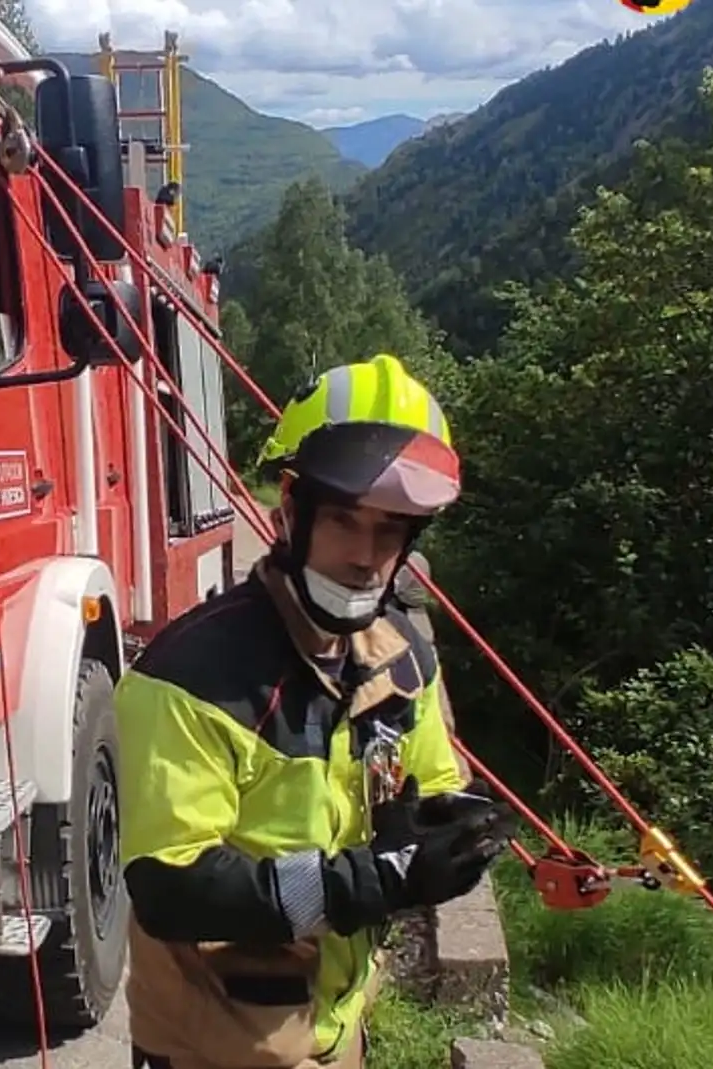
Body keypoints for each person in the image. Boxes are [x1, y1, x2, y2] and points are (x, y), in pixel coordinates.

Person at [114, 354, 516, 1069]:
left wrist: (451, 833)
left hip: (337, 1029)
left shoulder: (401, 662)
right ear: (290, 511)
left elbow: (424, 791)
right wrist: (373, 880)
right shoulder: (191, 677)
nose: (366, 556)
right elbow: (170, 888)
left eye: (391, 531)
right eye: (343, 521)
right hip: (217, 1047)